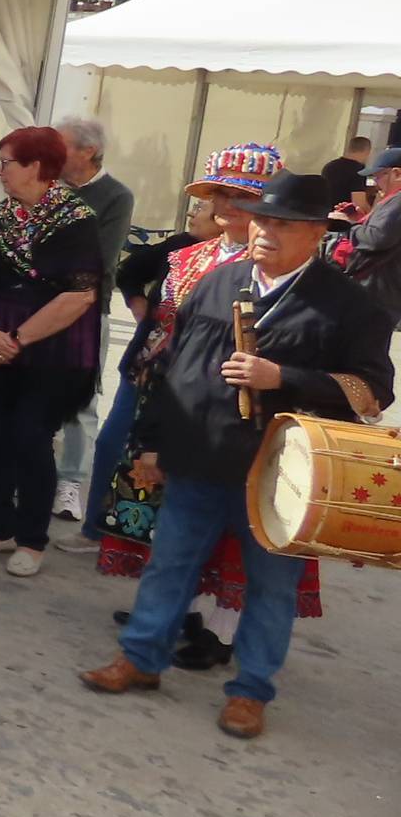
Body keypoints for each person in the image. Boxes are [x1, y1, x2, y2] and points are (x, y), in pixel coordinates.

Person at [82, 172, 396, 739]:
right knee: (170, 565)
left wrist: (286, 377)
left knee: (270, 585)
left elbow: (372, 392)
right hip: (199, 457)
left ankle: (251, 691)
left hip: (282, 474)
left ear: (317, 232)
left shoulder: (349, 305)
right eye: (263, 220)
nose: (265, 232)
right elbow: (170, 364)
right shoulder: (219, 281)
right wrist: (151, 442)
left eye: (282, 224)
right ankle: (142, 658)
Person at [90, 147, 285, 656]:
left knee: (234, 516)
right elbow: (161, 318)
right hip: (167, 392)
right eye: (221, 192)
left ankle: (219, 628)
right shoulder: (187, 255)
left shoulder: (275, 264)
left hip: (242, 404)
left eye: (244, 196)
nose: (228, 204)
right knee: (166, 505)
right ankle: (174, 608)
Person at [0, 126, 103, 578]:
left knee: (32, 438)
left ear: (36, 166)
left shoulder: (76, 219)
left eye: (7, 163)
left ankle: (32, 539)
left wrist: (15, 340)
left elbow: (80, 295)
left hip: (50, 351)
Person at [50, 189, 221, 562]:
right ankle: (95, 528)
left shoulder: (239, 265)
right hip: (145, 367)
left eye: (203, 209)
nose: (193, 214)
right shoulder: (180, 247)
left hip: (193, 382)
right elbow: (129, 272)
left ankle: (156, 547)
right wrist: (141, 305)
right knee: (114, 442)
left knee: (172, 462)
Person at [52, 117, 137, 523]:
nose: (54, 153)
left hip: (85, 309)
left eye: (62, 145)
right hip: (34, 306)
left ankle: (70, 482)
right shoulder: (47, 185)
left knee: (80, 398)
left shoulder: (115, 196)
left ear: (88, 151)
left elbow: (99, 258)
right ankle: (12, 469)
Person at [338, 147, 401, 317]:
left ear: (396, 174)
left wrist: (350, 225)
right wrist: (359, 218)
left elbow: (377, 238)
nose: (374, 181)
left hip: (378, 291)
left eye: (378, 175)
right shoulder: (392, 199)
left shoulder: (398, 201)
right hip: (377, 289)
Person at [320, 136, 372, 213]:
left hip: (325, 214)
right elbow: (359, 203)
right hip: (344, 216)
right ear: (367, 151)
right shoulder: (359, 170)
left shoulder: (329, 166)